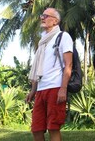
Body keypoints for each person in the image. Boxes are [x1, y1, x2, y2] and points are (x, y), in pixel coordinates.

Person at [25, 8, 73, 141]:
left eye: (46, 16)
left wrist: (63, 89)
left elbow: (68, 64)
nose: (42, 18)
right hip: (41, 89)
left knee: (53, 127)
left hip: (55, 87)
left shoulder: (63, 37)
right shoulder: (43, 41)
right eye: (42, 15)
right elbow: (39, 68)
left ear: (55, 21)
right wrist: (33, 90)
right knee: (36, 129)